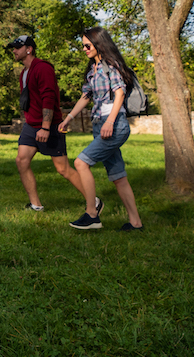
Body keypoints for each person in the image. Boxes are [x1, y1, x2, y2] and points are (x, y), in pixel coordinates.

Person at [58, 26, 145, 232]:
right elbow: (86, 96)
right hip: (100, 125)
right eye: (82, 46)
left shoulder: (111, 66)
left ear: (98, 44)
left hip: (113, 125)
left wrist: (110, 122)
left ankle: (92, 213)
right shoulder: (92, 70)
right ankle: (136, 224)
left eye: (87, 45)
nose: (84, 49)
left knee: (80, 162)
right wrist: (68, 118)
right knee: (118, 176)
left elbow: (120, 93)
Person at [5, 35, 88, 213]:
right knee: (21, 160)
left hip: (49, 125)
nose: (14, 51)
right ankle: (36, 205)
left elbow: (48, 98)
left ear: (29, 49)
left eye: (18, 47)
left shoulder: (43, 68)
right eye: (13, 47)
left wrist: (45, 127)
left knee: (63, 169)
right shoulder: (24, 73)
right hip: (31, 125)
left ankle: (93, 201)